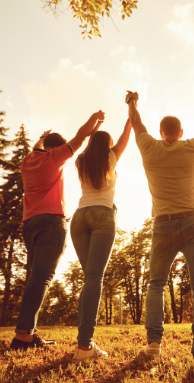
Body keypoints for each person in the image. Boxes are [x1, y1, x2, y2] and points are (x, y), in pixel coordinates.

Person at [125, 91, 194, 378]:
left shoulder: (149, 146)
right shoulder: (190, 146)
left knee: (156, 284)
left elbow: (137, 124)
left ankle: (153, 344)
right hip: (193, 223)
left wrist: (132, 103)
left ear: (161, 133)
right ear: (180, 132)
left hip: (162, 224)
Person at [10, 111, 105, 350]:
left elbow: (36, 147)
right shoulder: (54, 158)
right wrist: (94, 121)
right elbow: (79, 137)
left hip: (29, 225)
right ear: (57, 148)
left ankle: (28, 333)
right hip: (50, 224)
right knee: (42, 278)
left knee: (36, 277)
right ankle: (23, 336)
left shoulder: (28, 160)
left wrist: (42, 138)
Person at [69, 119, 133, 362]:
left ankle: (86, 343)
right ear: (106, 146)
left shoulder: (80, 161)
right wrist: (130, 117)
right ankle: (85, 347)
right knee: (94, 278)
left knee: (89, 280)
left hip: (79, 218)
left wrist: (94, 129)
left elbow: (87, 145)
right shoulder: (110, 159)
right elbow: (125, 138)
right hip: (102, 216)